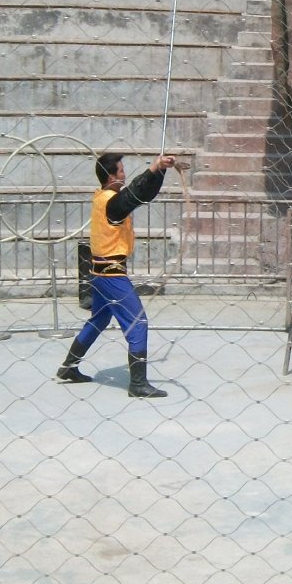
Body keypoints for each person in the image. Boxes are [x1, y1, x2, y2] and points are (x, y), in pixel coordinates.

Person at [55, 151, 177, 398]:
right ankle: (138, 384)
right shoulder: (112, 203)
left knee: (99, 320)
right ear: (111, 176)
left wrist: (160, 170)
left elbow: (142, 195)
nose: (124, 173)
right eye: (121, 170)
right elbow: (134, 194)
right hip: (112, 274)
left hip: (99, 273)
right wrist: (153, 168)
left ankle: (68, 367)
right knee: (137, 323)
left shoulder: (102, 196)